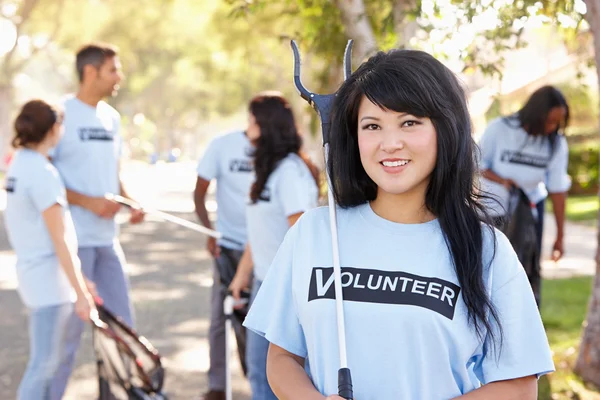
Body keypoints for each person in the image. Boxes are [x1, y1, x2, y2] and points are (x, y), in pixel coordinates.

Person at [242, 50, 554, 399]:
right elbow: (282, 357)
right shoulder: (314, 232)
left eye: (409, 122)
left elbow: (520, 385)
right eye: (372, 126)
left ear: (445, 127)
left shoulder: (487, 248)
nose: (390, 144)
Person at [49, 43, 145, 398]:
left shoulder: (112, 118)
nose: (119, 77)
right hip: (74, 244)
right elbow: (47, 176)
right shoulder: (59, 113)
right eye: (113, 70)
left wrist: (130, 201)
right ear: (90, 72)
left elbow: (113, 173)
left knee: (122, 330)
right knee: (67, 338)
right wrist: (87, 201)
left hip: (108, 241)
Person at [4, 100, 98, 399]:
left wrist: (81, 282)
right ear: (54, 129)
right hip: (48, 283)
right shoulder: (43, 173)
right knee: (44, 366)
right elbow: (61, 239)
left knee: (46, 365)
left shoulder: (19, 164)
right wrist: (81, 293)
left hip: (36, 276)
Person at [229, 92, 319, 399]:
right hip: (262, 283)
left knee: (271, 374)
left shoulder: (290, 172)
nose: (247, 127)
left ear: (264, 125)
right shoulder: (267, 170)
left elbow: (301, 234)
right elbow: (260, 232)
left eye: (251, 120)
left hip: (285, 290)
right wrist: (242, 275)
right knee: (258, 371)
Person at [478, 85, 571, 304]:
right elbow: (476, 165)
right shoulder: (500, 129)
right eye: (550, 121)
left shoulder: (556, 143)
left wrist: (560, 236)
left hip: (530, 211)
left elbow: (558, 190)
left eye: (559, 122)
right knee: (491, 269)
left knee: (525, 269)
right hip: (495, 211)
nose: (554, 127)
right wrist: (503, 181)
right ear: (536, 114)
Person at [194, 123, 255, 399]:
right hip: (228, 247)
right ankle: (217, 386)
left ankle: (258, 382)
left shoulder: (275, 150)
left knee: (256, 322)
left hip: (265, 251)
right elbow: (199, 190)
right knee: (220, 318)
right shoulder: (222, 145)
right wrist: (210, 231)